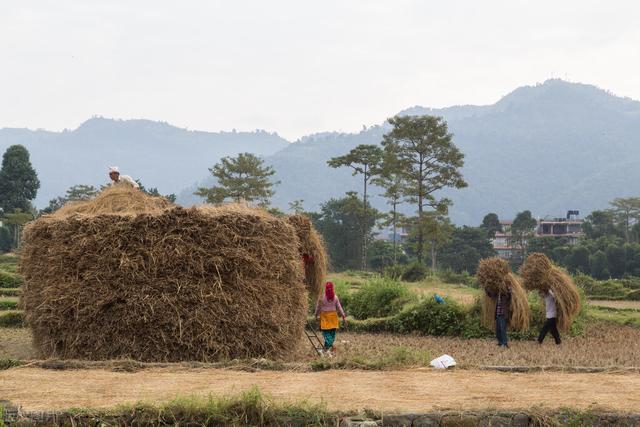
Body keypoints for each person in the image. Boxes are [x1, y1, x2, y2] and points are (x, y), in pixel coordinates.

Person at [315, 282, 347, 354]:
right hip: (333, 318)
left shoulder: (321, 297)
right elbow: (339, 307)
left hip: (325, 318)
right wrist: (343, 316)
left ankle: (325, 350)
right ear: (332, 289)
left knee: (326, 334)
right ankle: (327, 349)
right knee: (332, 335)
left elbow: (318, 308)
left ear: (326, 289)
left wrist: (316, 315)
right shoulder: (335, 297)